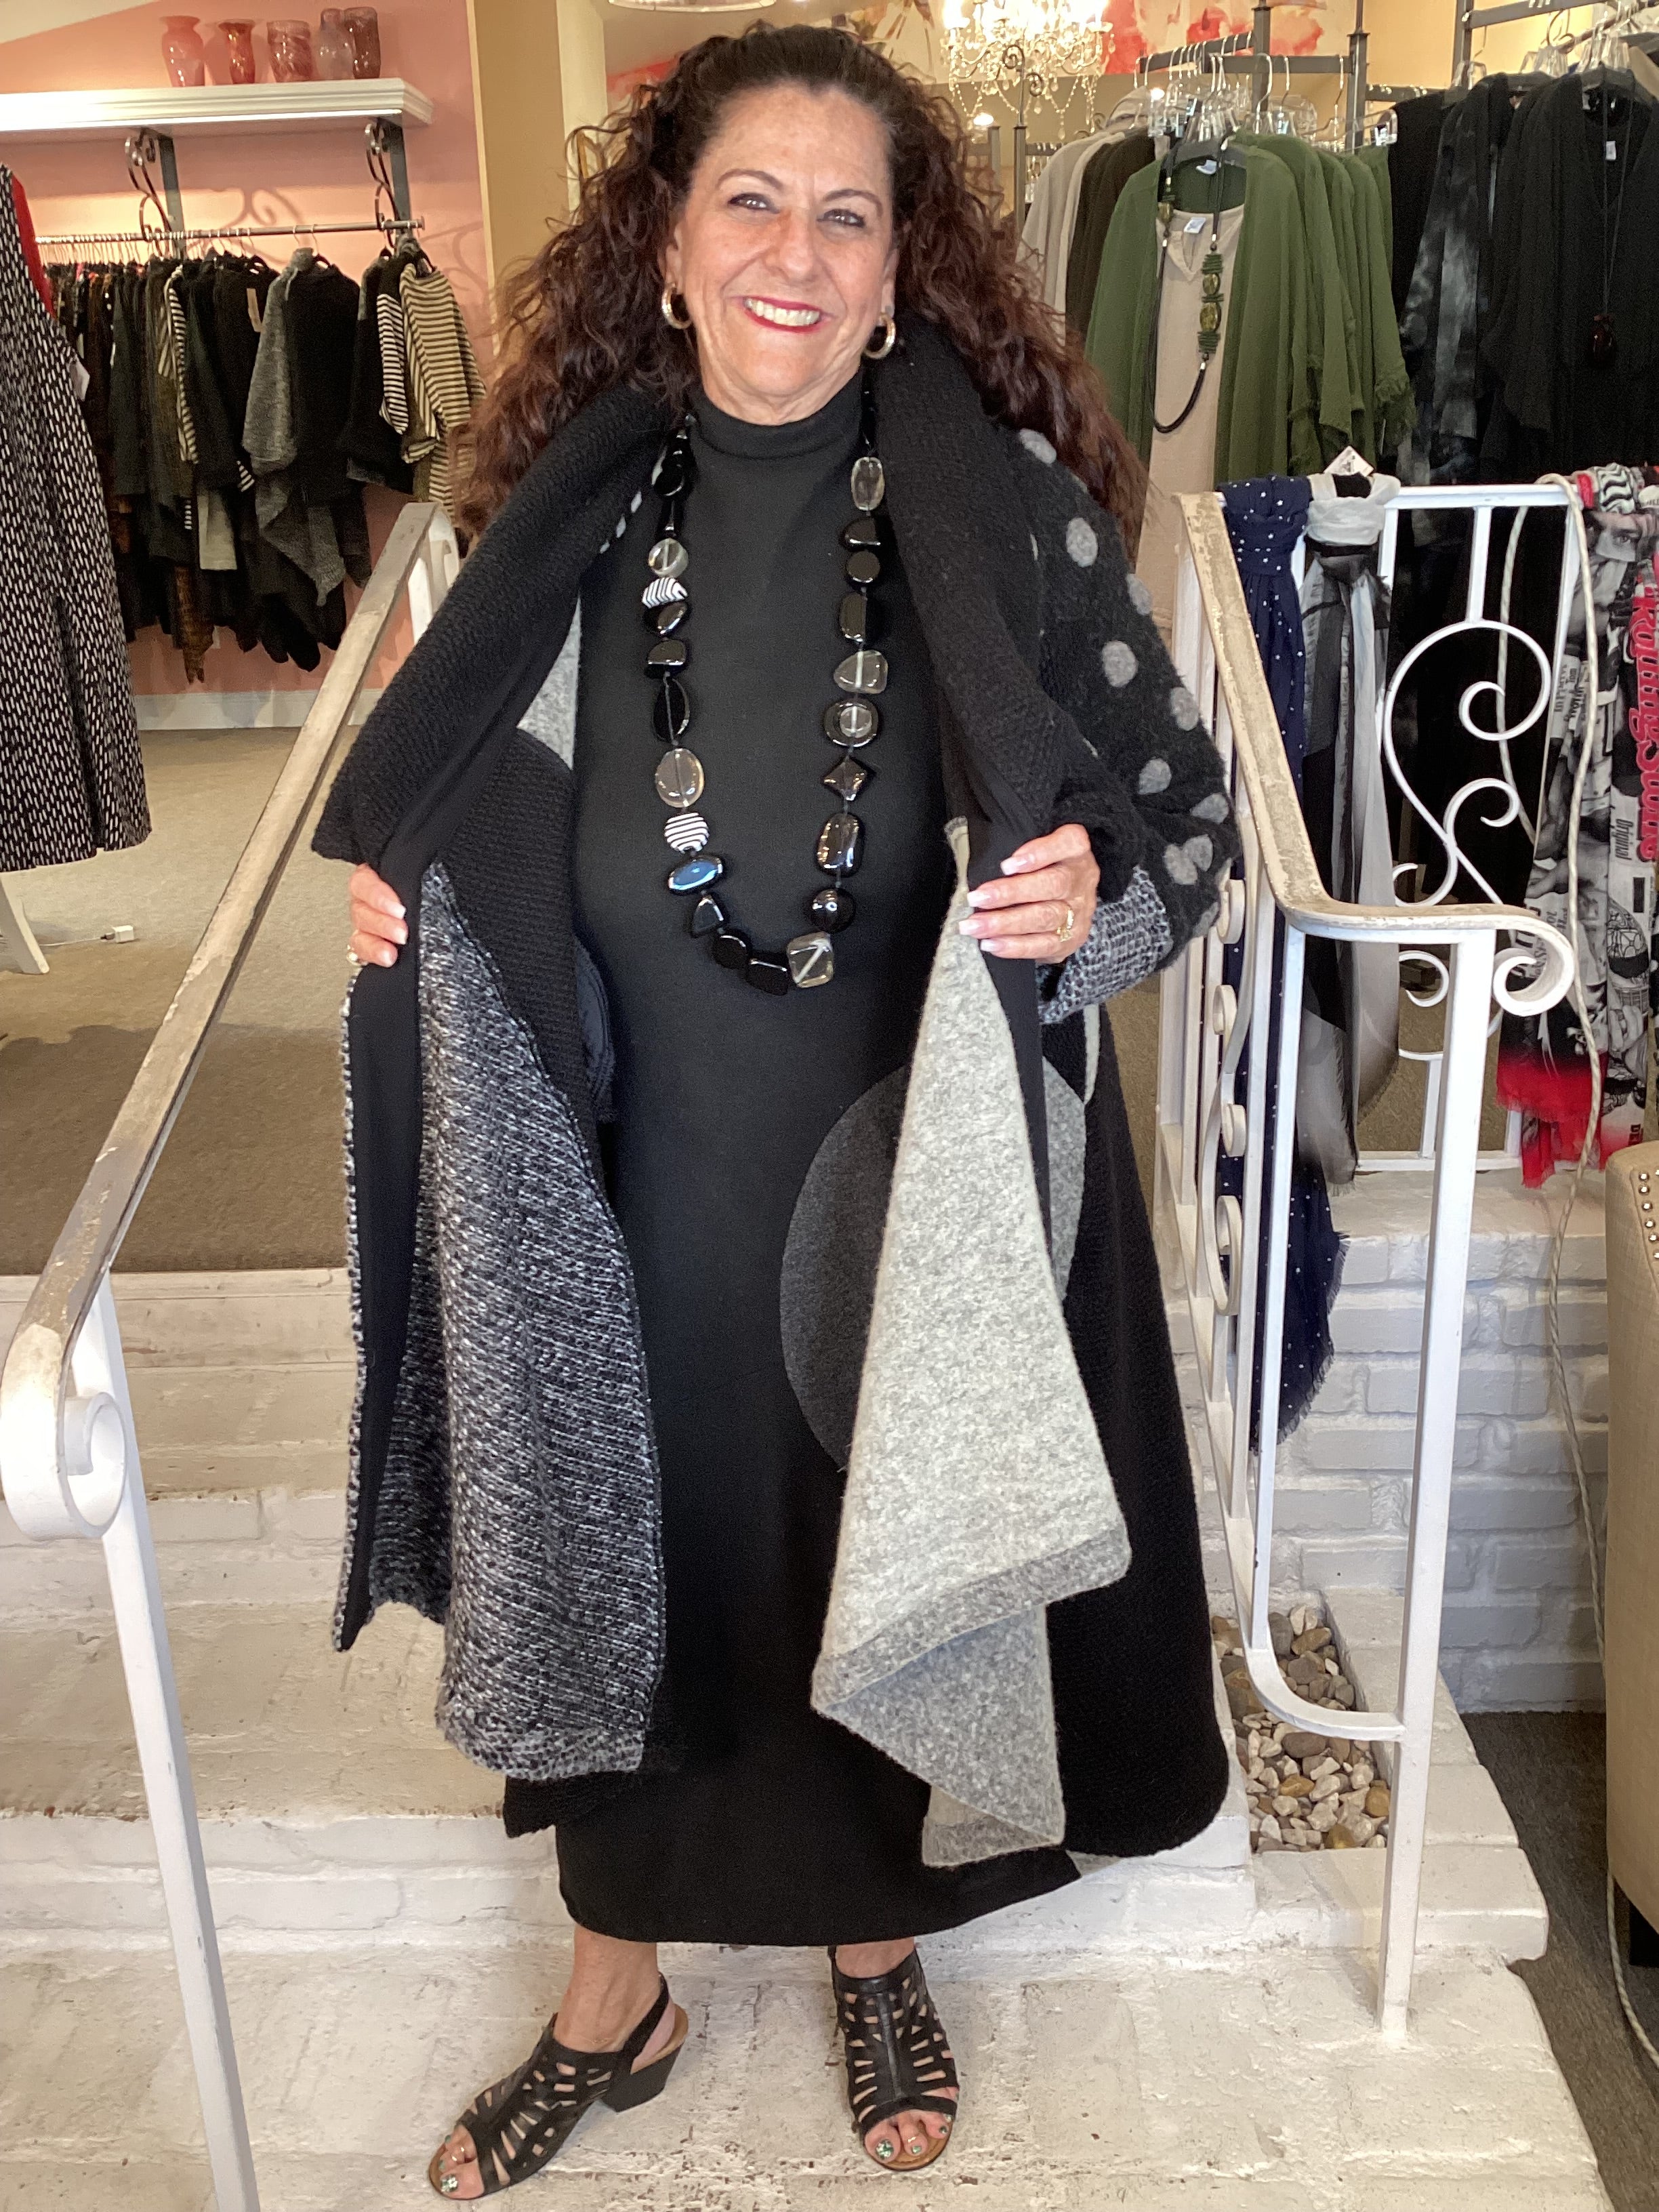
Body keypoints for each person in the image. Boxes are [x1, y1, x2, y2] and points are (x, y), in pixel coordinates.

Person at [321, 23, 1237, 2199]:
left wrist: (1096, 898)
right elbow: (456, 792)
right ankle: (613, 1991)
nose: (796, 255)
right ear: (669, 243)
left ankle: (872, 1938)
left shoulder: (1001, 518)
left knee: (857, 1539)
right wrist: (410, 901)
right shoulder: (559, 519)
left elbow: (1185, 825)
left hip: (891, 1175)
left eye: (848, 214)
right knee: (626, 1560)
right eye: (752, 201)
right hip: (621, 1168)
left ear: (902, 267)